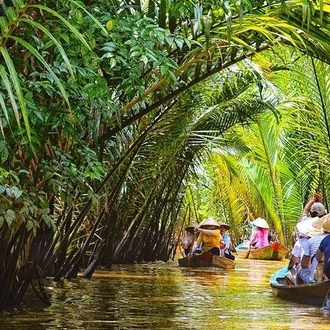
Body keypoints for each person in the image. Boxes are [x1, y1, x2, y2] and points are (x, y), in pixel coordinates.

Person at [286, 216, 323, 284]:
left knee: (297, 270)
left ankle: (298, 289)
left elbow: (302, 263)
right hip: (324, 275)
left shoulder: (303, 242)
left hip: (315, 276)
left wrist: (289, 268)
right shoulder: (325, 239)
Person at [296, 214, 330, 284]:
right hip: (326, 277)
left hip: (321, 280)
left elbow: (316, 259)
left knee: (300, 270)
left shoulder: (325, 240)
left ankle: (299, 291)